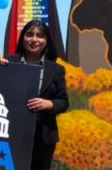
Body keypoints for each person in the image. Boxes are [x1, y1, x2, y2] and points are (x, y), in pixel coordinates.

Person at [7, 20, 68, 170]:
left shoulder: (56, 70)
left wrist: (49, 104)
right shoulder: (8, 62)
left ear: (47, 41)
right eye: (30, 35)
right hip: (11, 134)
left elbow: (64, 101)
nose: (34, 39)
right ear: (23, 38)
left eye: (40, 36)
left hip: (43, 137)